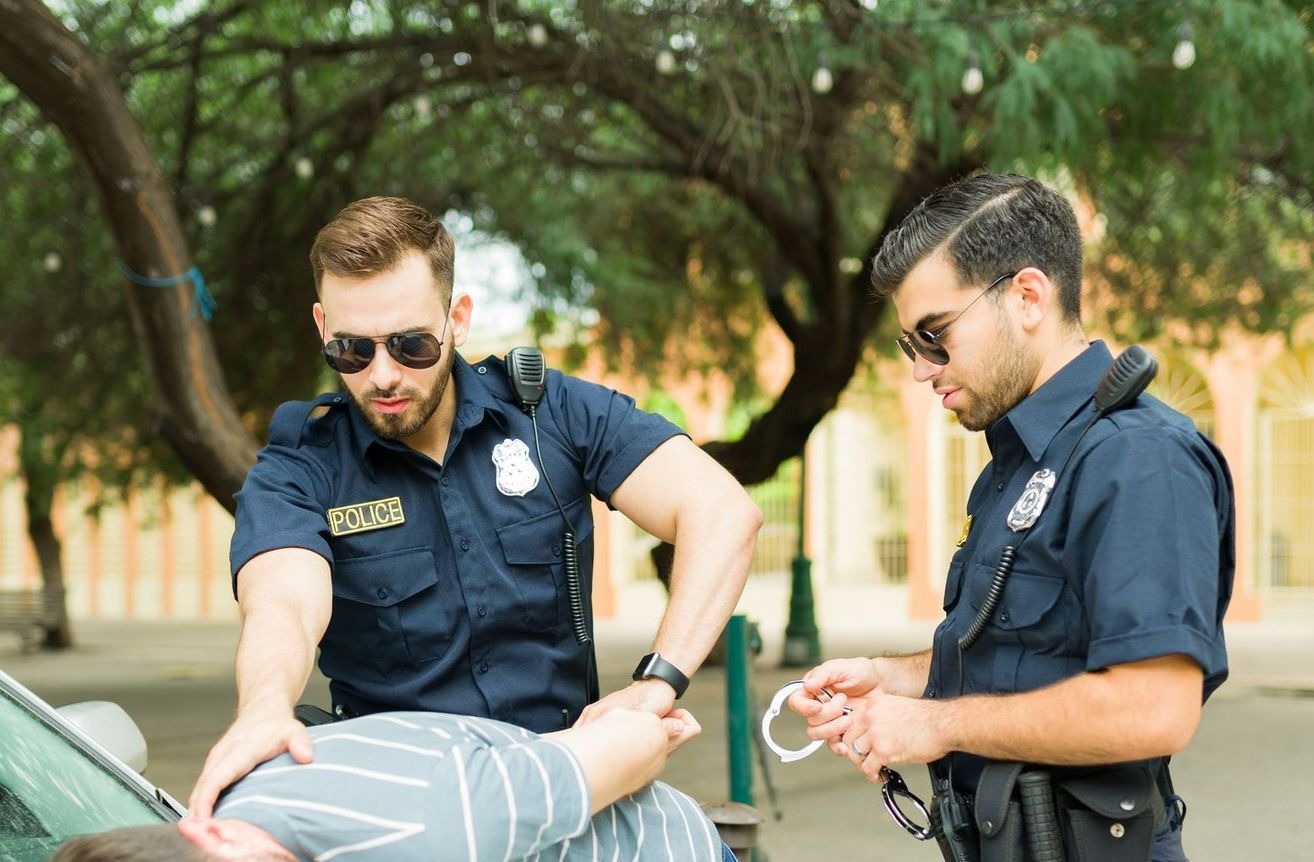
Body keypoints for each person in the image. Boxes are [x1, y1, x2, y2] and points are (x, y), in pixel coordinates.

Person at [189, 196, 762, 816]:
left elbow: (722, 512)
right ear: (324, 327)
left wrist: (656, 687)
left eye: (410, 345)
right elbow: (283, 599)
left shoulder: (551, 413)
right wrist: (265, 709)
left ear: (457, 319)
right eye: (352, 351)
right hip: (407, 814)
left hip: (572, 785)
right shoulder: (302, 463)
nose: (381, 376)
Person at [790, 173, 1233, 862]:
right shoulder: (1020, 459)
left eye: (935, 334)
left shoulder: (1138, 458)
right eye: (911, 345)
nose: (922, 369)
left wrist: (935, 724)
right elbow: (1024, 654)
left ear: (1028, 296)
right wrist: (894, 679)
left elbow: (1154, 707)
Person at [55, 707, 734, 861]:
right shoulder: (243, 798)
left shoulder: (435, 829)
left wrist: (649, 728)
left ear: (203, 827)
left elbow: (637, 741)